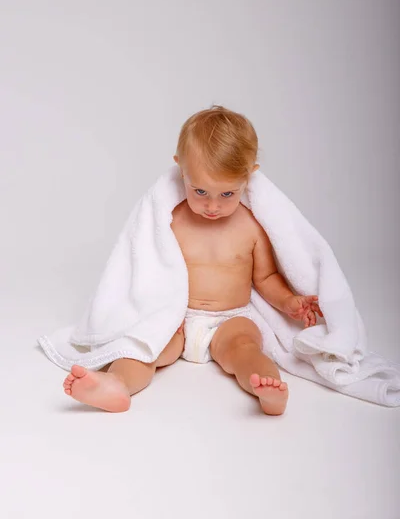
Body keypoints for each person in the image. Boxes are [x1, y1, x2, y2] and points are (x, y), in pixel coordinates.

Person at [63, 106, 322, 415]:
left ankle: (267, 390)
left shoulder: (251, 226)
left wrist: (288, 302)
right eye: (200, 190)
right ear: (180, 169)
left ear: (249, 176)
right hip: (176, 319)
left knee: (244, 349)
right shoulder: (168, 220)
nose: (212, 206)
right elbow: (147, 266)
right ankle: (116, 384)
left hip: (231, 319)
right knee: (145, 348)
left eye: (227, 194)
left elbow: (265, 278)